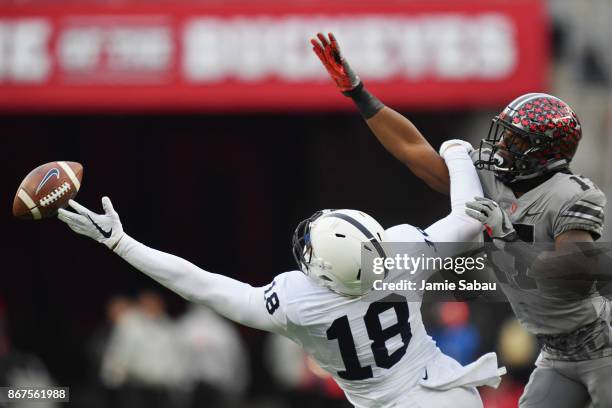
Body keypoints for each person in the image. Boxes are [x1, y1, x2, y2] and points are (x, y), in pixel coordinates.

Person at [57, 142, 503, 407]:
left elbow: (197, 283)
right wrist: (458, 154)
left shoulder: (299, 301)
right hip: (450, 395)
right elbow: (467, 219)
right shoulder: (403, 250)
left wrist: (119, 242)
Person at [310, 32, 610, 407]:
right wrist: (358, 92)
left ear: (544, 152)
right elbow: (412, 151)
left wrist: (509, 238)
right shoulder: (491, 183)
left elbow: (574, 278)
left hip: (600, 349)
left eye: (513, 142)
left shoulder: (573, 196)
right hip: (555, 354)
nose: (500, 146)